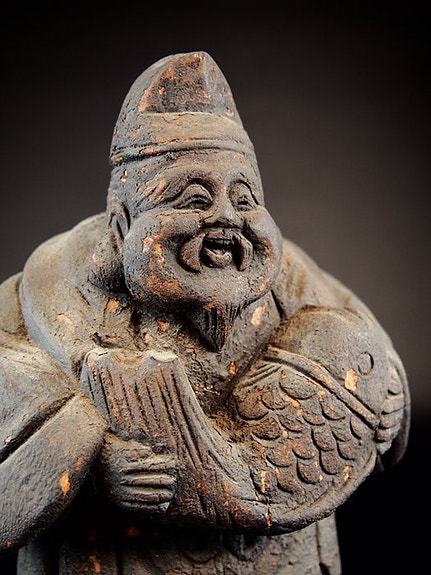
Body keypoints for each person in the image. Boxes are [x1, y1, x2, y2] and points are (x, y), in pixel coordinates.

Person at [0, 51, 410, 574]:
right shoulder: (45, 295)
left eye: (244, 198)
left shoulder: (290, 277)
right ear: (123, 224)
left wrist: (387, 396)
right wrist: (94, 463)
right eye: (193, 199)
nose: (225, 218)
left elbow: (373, 358)